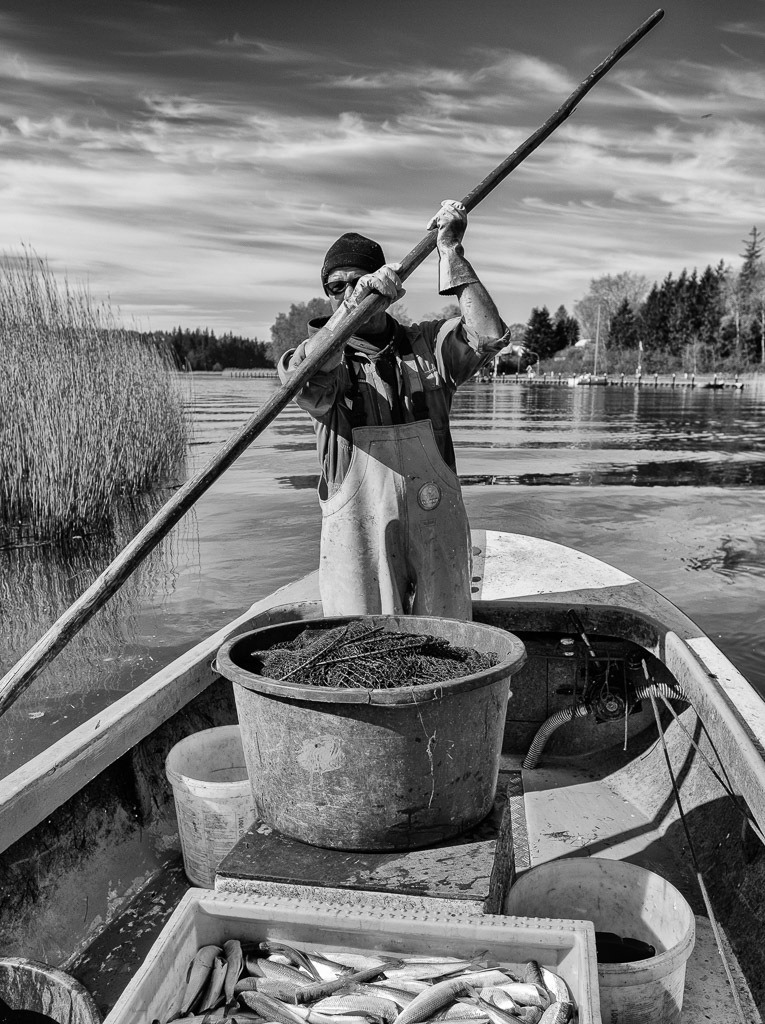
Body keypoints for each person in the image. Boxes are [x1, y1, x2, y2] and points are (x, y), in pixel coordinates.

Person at [278, 199, 516, 619]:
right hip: (357, 535)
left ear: (389, 288)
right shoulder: (318, 359)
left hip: (435, 522)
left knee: (450, 642)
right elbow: (303, 377)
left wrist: (450, 253)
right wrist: (352, 310)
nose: (349, 291)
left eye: (361, 280)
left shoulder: (428, 344)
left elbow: (490, 335)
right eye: (337, 287)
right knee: (362, 649)